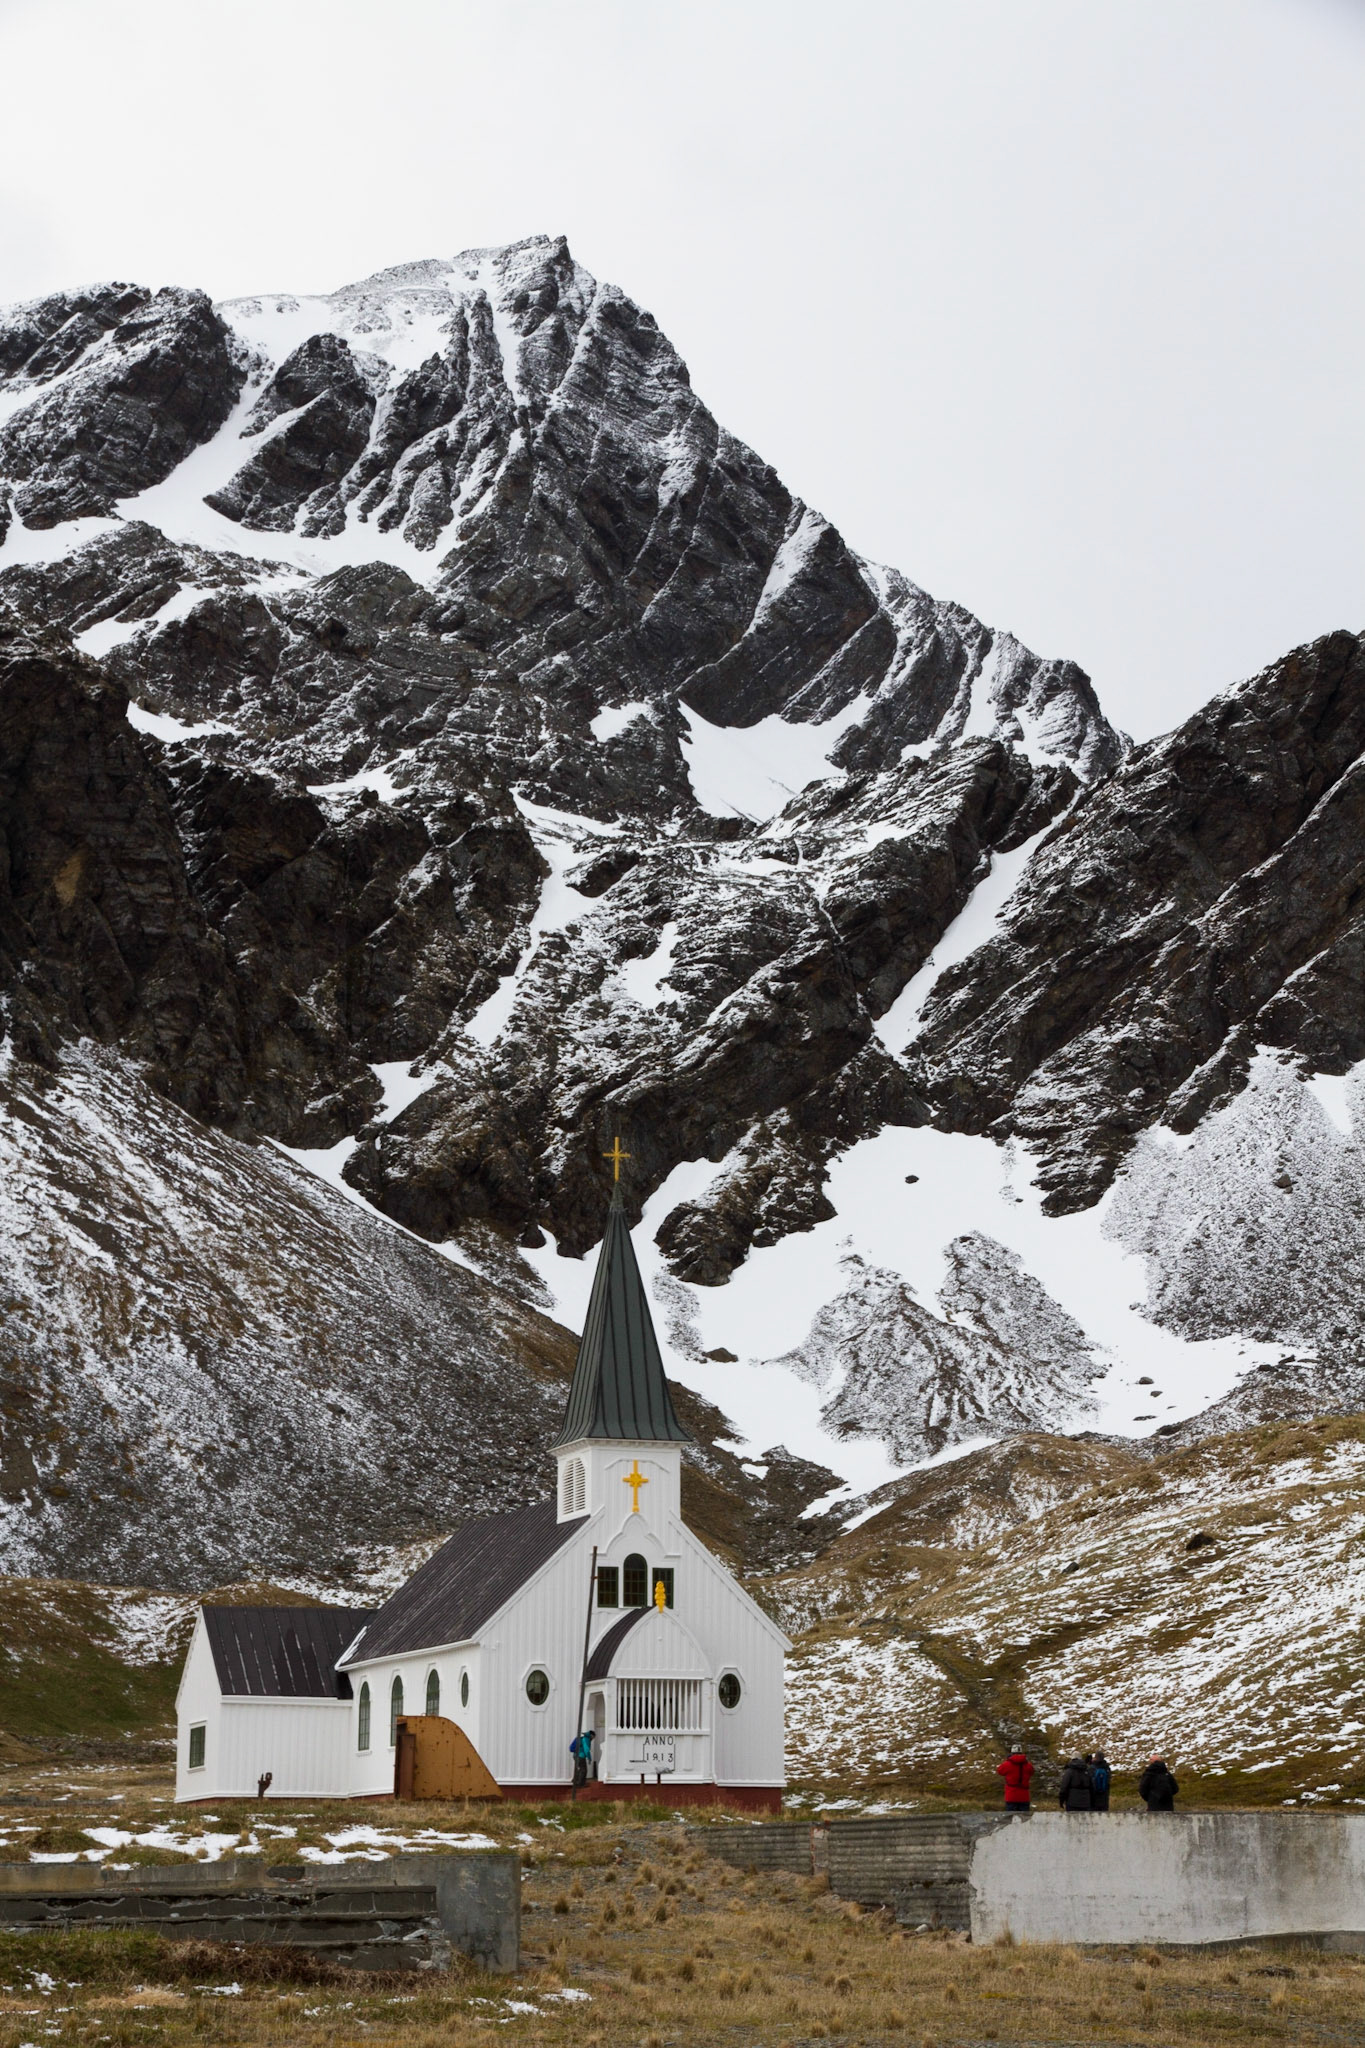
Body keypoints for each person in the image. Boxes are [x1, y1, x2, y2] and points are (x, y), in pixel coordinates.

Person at [995, 1746, 1034, 1813]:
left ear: (1012, 1753)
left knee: (1010, 1818)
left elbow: (1000, 1771)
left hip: (1011, 1795)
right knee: (1024, 1819)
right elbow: (1032, 1772)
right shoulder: (1028, 1765)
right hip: (1024, 1796)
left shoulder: (1007, 1764)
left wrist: (1008, 1760)